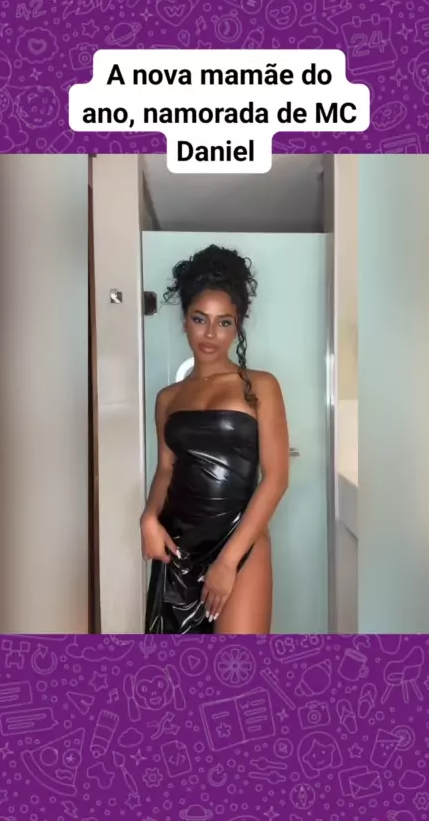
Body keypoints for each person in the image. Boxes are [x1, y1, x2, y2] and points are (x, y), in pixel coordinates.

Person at [140, 245, 289, 634]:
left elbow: (276, 479)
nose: (210, 334)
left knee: (240, 666)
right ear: (184, 321)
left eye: (224, 322)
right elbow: (166, 470)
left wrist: (227, 561)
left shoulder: (261, 385)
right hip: (178, 545)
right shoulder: (167, 398)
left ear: (237, 326)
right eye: (199, 319)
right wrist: (149, 517)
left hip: (241, 542)